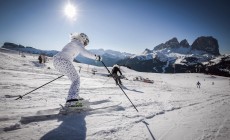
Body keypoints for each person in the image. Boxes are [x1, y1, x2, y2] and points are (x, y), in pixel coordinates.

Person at [53, 33, 102, 107]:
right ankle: (72, 101)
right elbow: (84, 53)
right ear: (82, 38)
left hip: (58, 61)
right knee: (76, 79)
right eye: (85, 42)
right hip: (62, 60)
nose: (85, 44)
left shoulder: (73, 43)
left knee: (74, 79)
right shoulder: (78, 42)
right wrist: (96, 57)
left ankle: (74, 96)